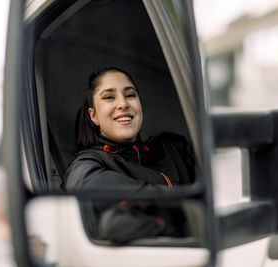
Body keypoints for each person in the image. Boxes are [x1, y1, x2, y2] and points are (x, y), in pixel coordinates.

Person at [64, 66, 196, 244]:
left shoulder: (172, 148)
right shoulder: (87, 165)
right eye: (109, 97)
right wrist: (168, 221)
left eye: (130, 95)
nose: (123, 104)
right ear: (93, 116)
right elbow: (83, 185)